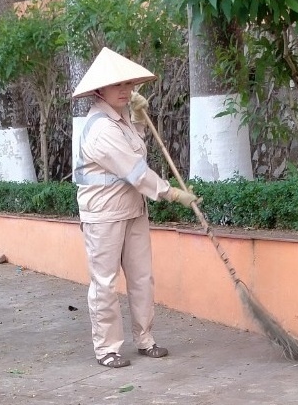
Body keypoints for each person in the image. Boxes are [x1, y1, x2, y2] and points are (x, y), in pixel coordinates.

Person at [71, 47, 199, 368]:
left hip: (133, 210)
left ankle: (145, 339)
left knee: (142, 278)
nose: (126, 91)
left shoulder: (124, 118)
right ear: (100, 90)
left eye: (128, 84)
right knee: (105, 283)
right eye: (118, 86)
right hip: (103, 215)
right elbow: (134, 170)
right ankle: (107, 348)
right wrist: (171, 193)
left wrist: (139, 121)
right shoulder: (100, 127)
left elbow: (136, 150)